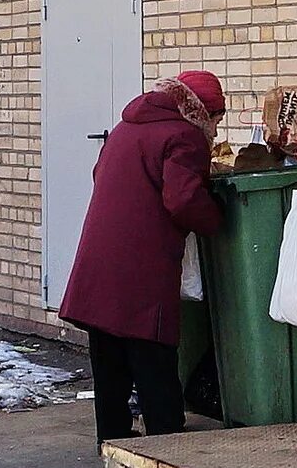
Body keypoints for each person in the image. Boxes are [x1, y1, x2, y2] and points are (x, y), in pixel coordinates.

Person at [60, 70, 226, 445]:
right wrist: (217, 217)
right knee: (153, 352)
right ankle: (166, 439)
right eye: (216, 120)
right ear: (200, 112)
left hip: (99, 256)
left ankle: (113, 438)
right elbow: (183, 200)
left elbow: (98, 172)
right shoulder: (184, 136)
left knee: (109, 360)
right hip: (143, 263)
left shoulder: (126, 126)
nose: (215, 131)